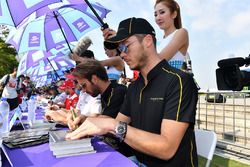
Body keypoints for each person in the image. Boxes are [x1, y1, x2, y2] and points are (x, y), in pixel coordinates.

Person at [67, 17, 198, 166]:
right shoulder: (135, 87)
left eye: (125, 46)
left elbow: (166, 148)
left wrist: (111, 125)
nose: (122, 54)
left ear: (148, 41)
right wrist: (86, 121)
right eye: (119, 48)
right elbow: (117, 124)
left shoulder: (179, 82)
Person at [70, 59, 133, 157]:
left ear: (94, 79)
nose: (83, 90)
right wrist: (83, 118)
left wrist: (84, 120)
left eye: (84, 85)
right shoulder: (104, 93)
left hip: (125, 154)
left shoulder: (118, 92)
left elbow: (106, 124)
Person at [154, 0, 192, 72]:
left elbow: (158, 62)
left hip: (172, 82)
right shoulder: (158, 42)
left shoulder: (181, 32)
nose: (158, 18)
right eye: (155, 14)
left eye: (162, 12)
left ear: (174, 14)